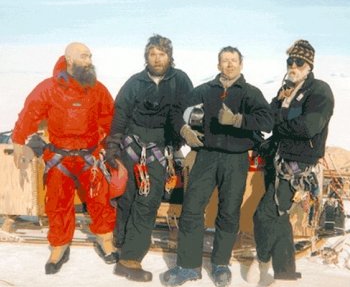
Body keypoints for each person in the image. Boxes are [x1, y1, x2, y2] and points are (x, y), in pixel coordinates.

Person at [162, 46, 274, 287]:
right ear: (218, 65)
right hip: (206, 155)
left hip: (236, 158)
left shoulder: (249, 93)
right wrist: (184, 130)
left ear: (241, 64)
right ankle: (188, 266)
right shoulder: (204, 91)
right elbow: (176, 112)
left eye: (233, 60)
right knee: (191, 208)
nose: (229, 64)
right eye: (225, 61)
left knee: (229, 211)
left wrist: (238, 120)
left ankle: (221, 264)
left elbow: (267, 120)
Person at [11, 42, 118, 274]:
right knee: (58, 205)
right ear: (69, 59)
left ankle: (105, 239)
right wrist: (18, 140)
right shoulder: (48, 88)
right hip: (59, 158)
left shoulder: (98, 89)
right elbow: (30, 113)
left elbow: (109, 118)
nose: (89, 60)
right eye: (84, 56)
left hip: (90, 157)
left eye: (90, 55)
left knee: (100, 200)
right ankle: (59, 246)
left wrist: (112, 144)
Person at [105, 34, 194, 282]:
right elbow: (120, 116)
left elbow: (187, 112)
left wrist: (182, 137)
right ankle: (121, 241)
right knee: (126, 198)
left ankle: (129, 259)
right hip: (130, 145)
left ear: (169, 56)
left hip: (158, 150)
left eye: (162, 54)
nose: (157, 58)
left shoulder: (180, 81)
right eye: (153, 54)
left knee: (147, 202)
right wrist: (113, 147)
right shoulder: (134, 83)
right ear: (147, 57)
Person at [249, 40, 334, 285]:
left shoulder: (319, 90)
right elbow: (268, 118)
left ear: (309, 65)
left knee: (265, 214)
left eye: (299, 62)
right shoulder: (286, 90)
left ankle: (263, 261)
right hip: (277, 160)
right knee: (279, 215)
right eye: (290, 61)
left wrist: (279, 123)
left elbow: (309, 127)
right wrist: (278, 103)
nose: (293, 66)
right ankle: (285, 272)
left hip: (298, 164)